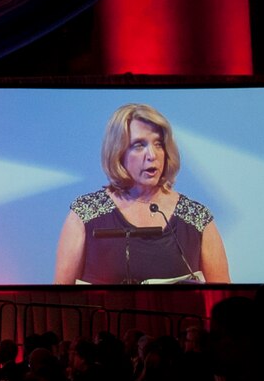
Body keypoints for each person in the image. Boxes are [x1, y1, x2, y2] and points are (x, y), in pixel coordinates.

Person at [53, 102, 230, 285]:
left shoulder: (198, 218)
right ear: (118, 153)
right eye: (139, 145)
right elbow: (59, 297)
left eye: (159, 144)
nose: (152, 155)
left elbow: (223, 300)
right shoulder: (84, 214)